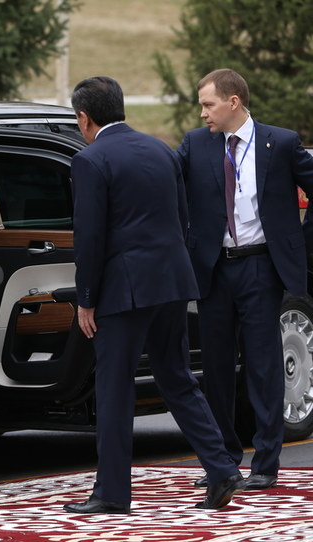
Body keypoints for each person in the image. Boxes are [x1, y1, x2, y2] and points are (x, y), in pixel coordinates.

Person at [63, 76, 244, 514]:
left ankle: (111, 493)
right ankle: (221, 467)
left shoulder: (90, 160)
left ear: (85, 118)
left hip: (123, 290)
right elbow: (183, 219)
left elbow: (90, 238)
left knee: (114, 389)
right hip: (170, 281)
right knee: (178, 378)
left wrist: (85, 299)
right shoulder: (162, 150)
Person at [177, 68, 313, 491]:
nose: (202, 113)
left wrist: (299, 245)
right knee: (215, 368)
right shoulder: (195, 144)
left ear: (233, 102)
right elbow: (166, 186)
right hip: (213, 268)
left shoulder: (282, 142)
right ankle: (224, 461)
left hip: (261, 267)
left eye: (208, 104)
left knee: (263, 364)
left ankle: (266, 463)